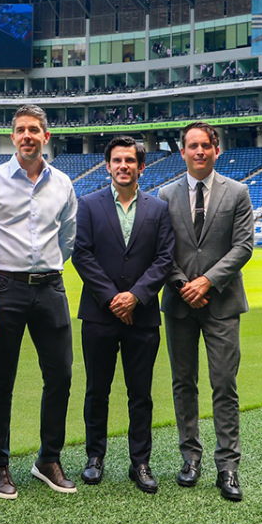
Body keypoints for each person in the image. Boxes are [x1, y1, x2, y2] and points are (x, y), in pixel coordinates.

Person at [0, 105, 78, 499]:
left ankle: (48, 459)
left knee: (61, 375)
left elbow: (67, 237)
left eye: (34, 130)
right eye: (20, 130)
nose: (27, 136)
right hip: (5, 289)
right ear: (12, 136)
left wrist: (48, 269)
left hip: (50, 288)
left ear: (46, 136)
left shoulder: (64, 184)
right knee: (1, 379)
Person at [158, 121, 254, 502]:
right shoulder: (165, 194)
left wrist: (207, 282)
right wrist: (185, 285)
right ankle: (190, 457)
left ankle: (227, 466)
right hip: (179, 305)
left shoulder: (238, 192)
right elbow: (161, 249)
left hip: (222, 304)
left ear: (217, 150)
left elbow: (243, 247)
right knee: (183, 384)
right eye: (191, 146)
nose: (199, 151)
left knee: (224, 385)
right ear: (182, 152)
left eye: (205, 145)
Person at [71, 136, 174, 493]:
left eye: (130, 160)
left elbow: (164, 259)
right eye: (117, 160)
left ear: (141, 166)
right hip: (99, 315)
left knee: (140, 394)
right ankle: (94, 457)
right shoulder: (88, 204)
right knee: (96, 391)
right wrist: (115, 298)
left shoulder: (158, 209)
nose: (123, 166)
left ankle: (140, 462)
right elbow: (81, 254)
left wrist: (136, 297)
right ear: (107, 165)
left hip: (142, 318)